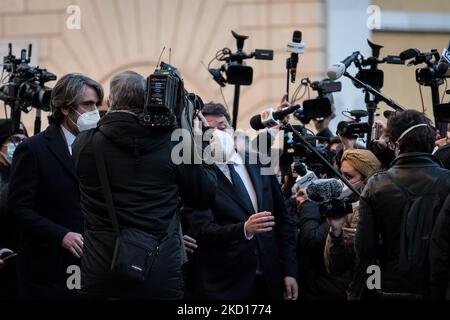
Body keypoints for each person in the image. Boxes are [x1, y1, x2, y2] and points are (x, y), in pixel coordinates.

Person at [72, 71, 217, 299]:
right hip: (158, 271)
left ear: (110, 101)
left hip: (101, 271)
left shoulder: (85, 143)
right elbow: (204, 195)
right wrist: (198, 142)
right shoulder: (174, 143)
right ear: (145, 100)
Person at [184, 103, 298, 300]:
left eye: (222, 127)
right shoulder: (197, 175)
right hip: (225, 286)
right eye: (208, 129)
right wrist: (244, 229)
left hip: (269, 280)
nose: (217, 134)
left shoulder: (258, 163)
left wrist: (289, 270)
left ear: (231, 129)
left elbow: (284, 221)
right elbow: (203, 230)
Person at [7, 73, 104, 299]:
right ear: (65, 108)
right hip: (45, 271)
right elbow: (18, 209)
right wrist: (60, 235)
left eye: (96, 105)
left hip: (90, 268)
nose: (95, 111)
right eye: (88, 104)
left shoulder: (100, 147)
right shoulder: (33, 150)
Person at [355, 110, 450, 299]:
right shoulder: (447, 182)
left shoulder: (375, 185)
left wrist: (373, 285)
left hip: (389, 287)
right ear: (431, 141)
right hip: (437, 287)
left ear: (395, 144)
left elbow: (365, 248)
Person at [323, 149, 381, 299]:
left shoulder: (386, 204)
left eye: (348, 176)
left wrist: (365, 241)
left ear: (367, 178)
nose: (342, 181)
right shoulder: (348, 209)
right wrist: (335, 233)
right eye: (341, 175)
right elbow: (334, 268)